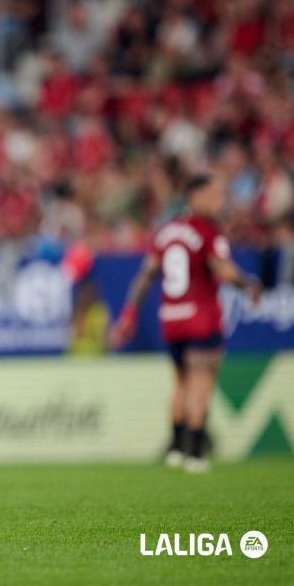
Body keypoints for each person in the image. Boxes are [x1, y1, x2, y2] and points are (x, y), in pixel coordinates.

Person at [111, 175, 261, 473]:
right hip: (202, 318)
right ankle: (195, 453)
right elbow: (222, 270)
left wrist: (129, 314)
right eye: (214, 196)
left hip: (172, 318)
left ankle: (176, 449)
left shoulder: (165, 231)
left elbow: (146, 276)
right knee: (201, 383)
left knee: (181, 384)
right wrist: (248, 284)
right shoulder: (207, 231)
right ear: (195, 196)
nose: (219, 202)